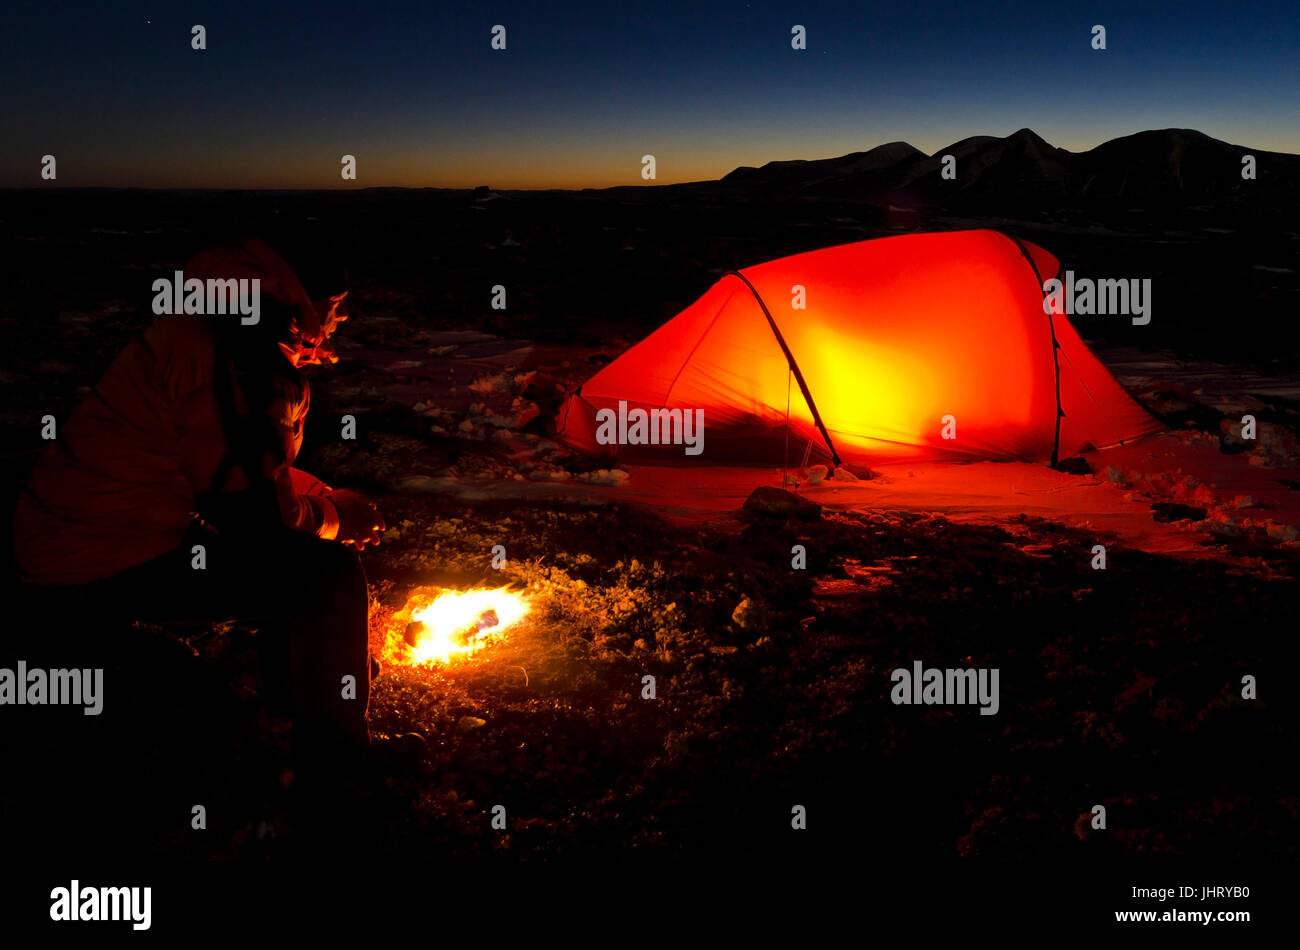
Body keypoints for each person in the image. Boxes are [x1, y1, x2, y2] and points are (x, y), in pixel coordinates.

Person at [12, 233, 389, 787]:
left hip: (78, 532)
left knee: (289, 552)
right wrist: (335, 520)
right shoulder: (245, 361)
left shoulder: (203, 336)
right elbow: (252, 516)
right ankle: (336, 761)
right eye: (334, 306)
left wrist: (318, 496)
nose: (342, 318)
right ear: (300, 301)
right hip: (94, 563)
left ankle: (294, 689)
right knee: (325, 574)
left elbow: (221, 460)